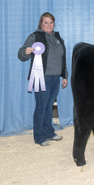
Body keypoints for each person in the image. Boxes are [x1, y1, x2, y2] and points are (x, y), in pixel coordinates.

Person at [18, 12, 68, 146]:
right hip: (42, 77)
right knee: (41, 106)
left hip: (56, 78)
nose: (49, 25)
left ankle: (49, 132)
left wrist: (64, 75)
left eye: (51, 22)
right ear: (41, 23)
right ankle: (39, 137)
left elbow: (62, 58)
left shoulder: (58, 37)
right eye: (46, 22)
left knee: (48, 107)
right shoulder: (35, 36)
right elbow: (21, 53)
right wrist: (25, 52)